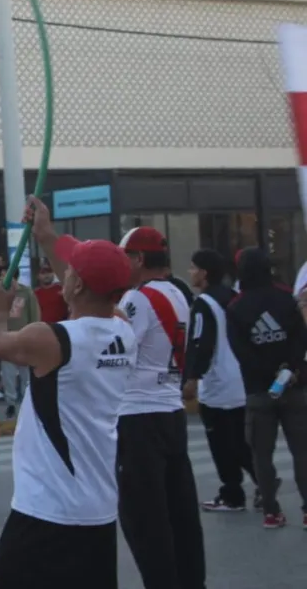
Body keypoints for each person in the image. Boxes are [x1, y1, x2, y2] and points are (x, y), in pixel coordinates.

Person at [0, 198, 136, 589]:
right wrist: (46, 236)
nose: (63, 273)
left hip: (48, 513)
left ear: (78, 283)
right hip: (98, 511)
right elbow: (91, 289)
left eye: (71, 271)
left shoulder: (50, 339)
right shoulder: (123, 330)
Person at [116, 226, 206, 589]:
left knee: (143, 517)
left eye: (124, 258)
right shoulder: (177, 292)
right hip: (168, 409)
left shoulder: (138, 299)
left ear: (138, 259)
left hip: (138, 414)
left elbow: (115, 346)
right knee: (179, 513)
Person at [227, 246, 307, 529]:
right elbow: (301, 339)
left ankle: (271, 511)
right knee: (302, 452)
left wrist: (268, 375)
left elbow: (242, 353)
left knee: (262, 455)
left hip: (259, 391)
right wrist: (290, 370)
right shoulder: (286, 298)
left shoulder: (236, 308)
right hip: (295, 387)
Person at [183, 249, 258, 512]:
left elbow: (200, 342)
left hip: (217, 385)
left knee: (221, 445)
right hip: (241, 380)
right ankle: (263, 482)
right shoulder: (234, 297)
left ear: (204, 273)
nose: (190, 272)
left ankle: (232, 494)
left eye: (193, 268)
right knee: (241, 440)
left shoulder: (204, 303)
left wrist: (192, 377)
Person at [0, 261, 41, 420]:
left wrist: (35, 334)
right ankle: (10, 403)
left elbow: (34, 314)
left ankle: (26, 402)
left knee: (25, 374)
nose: (1, 278)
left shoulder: (26, 292)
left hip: (24, 338)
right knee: (7, 373)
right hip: (5, 339)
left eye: (3, 275)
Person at [34, 260, 68, 324]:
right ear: (38, 276)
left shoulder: (63, 290)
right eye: (43, 273)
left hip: (61, 328)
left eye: (49, 272)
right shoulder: (34, 294)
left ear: (53, 273)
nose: (46, 275)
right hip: (43, 329)